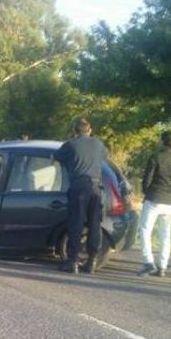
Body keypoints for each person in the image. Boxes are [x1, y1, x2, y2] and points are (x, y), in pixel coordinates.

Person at [53, 117, 108, 274]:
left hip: (78, 188)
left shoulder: (70, 145)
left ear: (74, 131)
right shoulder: (99, 144)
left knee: (75, 225)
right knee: (94, 225)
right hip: (96, 188)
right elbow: (104, 157)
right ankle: (91, 262)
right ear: (90, 130)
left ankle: (72, 262)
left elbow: (57, 157)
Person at [136, 130, 171, 278]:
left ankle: (148, 262)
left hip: (154, 198)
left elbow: (147, 179)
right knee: (165, 235)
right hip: (170, 201)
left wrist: (147, 192)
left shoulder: (156, 157)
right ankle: (162, 266)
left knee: (145, 230)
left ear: (161, 141)